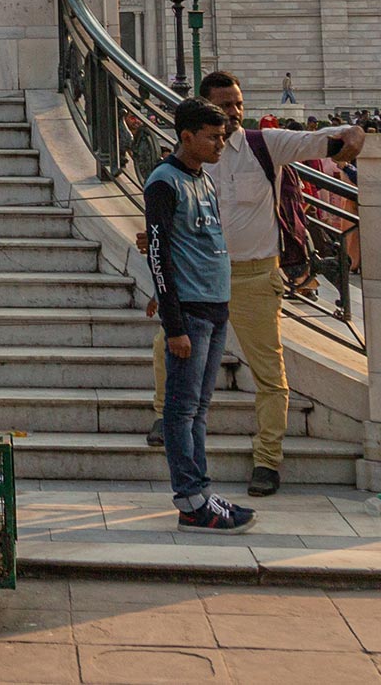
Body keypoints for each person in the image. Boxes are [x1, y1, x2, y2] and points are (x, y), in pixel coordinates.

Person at [196, 71, 365, 497]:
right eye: (225, 105)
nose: (235, 112)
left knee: (270, 373)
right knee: (170, 355)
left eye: (238, 103)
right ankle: (170, 425)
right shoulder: (191, 156)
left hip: (255, 275)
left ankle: (267, 459)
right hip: (202, 275)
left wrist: (356, 132)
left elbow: (312, 141)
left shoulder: (262, 144)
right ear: (204, 107)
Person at [147, 98, 255, 533]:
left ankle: (202, 491)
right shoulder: (163, 182)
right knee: (181, 408)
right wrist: (173, 324)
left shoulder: (205, 181)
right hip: (189, 312)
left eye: (223, 135)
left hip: (214, 306)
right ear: (186, 136)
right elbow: (159, 253)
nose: (220, 143)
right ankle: (191, 500)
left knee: (200, 408)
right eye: (212, 136)